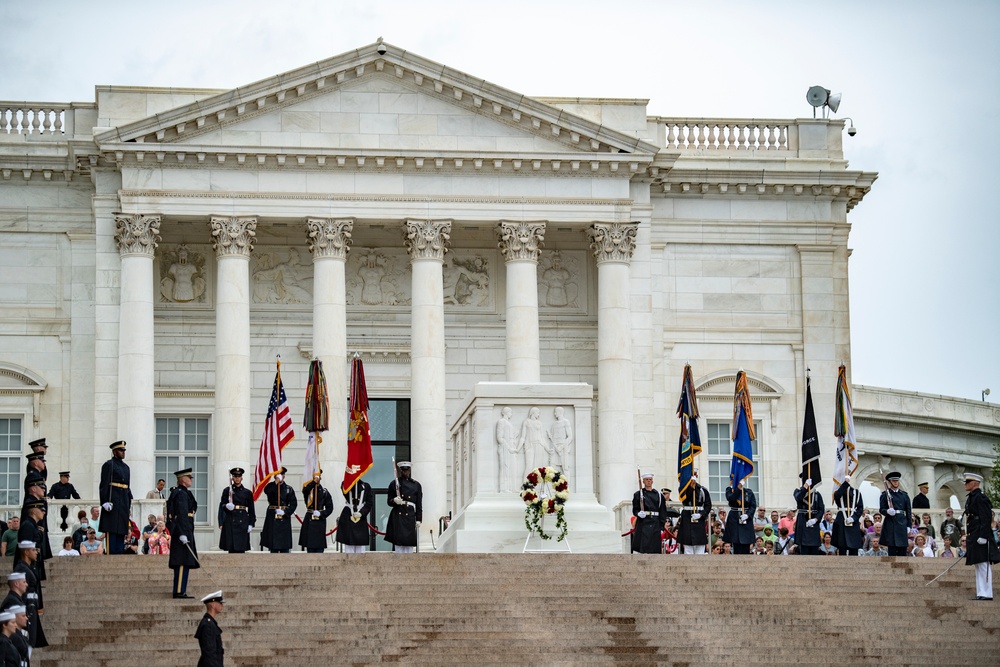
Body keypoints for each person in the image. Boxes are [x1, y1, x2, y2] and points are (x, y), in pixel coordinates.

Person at [963, 472, 1000, 600]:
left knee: (983, 564)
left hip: (980, 534)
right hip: (974, 534)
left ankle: (987, 593)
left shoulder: (981, 497)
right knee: (978, 564)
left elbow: (986, 517)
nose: (965, 484)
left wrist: (984, 535)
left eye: (968, 482)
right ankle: (981, 592)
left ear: (975, 483)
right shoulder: (972, 497)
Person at [166, 468, 199, 599]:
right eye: (189, 477)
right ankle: (179, 590)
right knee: (181, 561)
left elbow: (193, 507)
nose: (191, 480)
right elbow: (181, 514)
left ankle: (182, 589)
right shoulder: (180, 493)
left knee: (185, 561)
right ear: (182, 480)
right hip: (182, 530)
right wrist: (182, 532)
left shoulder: (185, 493)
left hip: (187, 529)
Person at [99, 440, 132, 555]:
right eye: (120, 450)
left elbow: (128, 487)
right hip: (112, 499)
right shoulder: (109, 464)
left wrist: (129, 505)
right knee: (112, 529)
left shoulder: (126, 467)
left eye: (124, 450)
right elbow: (104, 484)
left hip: (123, 500)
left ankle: (119, 552)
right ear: (114, 452)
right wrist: (104, 501)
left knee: (121, 530)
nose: (123, 452)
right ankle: (111, 553)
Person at [12, 541, 45, 648]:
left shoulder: (28, 567)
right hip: (26, 608)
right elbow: (20, 591)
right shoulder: (21, 568)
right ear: (26, 552)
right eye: (33, 550)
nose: (36, 552)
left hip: (31, 607)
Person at [385, 461, 422, 553]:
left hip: (409, 515)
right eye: (403, 470)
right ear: (400, 471)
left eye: (407, 470)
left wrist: (419, 519)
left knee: (409, 544)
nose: (405, 472)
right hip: (398, 514)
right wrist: (394, 500)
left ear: (409, 471)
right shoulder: (394, 483)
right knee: (399, 543)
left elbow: (419, 504)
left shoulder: (416, 485)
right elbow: (389, 501)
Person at [218, 467, 255, 554]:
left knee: (241, 547)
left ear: (242, 478)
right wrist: (227, 505)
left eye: (239, 476)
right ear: (232, 478)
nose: (237, 478)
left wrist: (251, 523)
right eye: (235, 476)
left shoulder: (247, 492)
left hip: (242, 520)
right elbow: (222, 506)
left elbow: (251, 510)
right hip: (231, 520)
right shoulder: (227, 490)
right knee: (231, 547)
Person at [260, 467, 297, 553]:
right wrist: (276, 482)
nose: (280, 476)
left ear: (284, 476)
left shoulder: (289, 489)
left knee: (285, 547)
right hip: (273, 516)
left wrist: (285, 512)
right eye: (277, 475)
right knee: (273, 546)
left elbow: (293, 504)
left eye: (282, 474)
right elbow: (267, 491)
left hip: (284, 518)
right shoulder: (270, 486)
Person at [298, 471, 334, 553]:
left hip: (320, 520)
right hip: (310, 518)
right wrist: (313, 482)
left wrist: (321, 513)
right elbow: (305, 490)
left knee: (319, 548)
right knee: (310, 548)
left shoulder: (324, 492)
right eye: (315, 477)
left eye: (318, 477)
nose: (317, 479)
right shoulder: (308, 491)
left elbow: (330, 508)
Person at [631, 473, 667, 554]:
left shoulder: (659, 495)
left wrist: (661, 527)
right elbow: (635, 509)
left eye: (650, 479)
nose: (648, 481)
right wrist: (638, 513)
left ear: (652, 481)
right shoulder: (638, 494)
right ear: (643, 481)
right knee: (642, 548)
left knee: (654, 548)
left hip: (655, 523)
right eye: (646, 480)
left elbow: (662, 512)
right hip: (643, 523)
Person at [676, 474, 712, 555]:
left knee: (700, 545)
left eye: (695, 475)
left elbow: (708, 505)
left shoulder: (703, 490)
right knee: (688, 545)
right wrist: (691, 487)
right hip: (688, 517)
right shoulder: (683, 489)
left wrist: (701, 514)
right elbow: (685, 499)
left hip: (699, 518)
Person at [878, 471, 912, 556]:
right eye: (893, 481)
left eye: (897, 481)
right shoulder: (885, 495)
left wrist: (909, 525)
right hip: (891, 522)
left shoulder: (904, 495)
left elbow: (908, 511)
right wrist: (887, 511)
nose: (896, 482)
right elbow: (881, 509)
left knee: (902, 549)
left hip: (902, 522)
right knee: (892, 548)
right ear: (889, 482)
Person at [337, 477, 374, 553]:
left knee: (360, 547)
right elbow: (344, 488)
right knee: (348, 546)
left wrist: (362, 513)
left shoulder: (366, 486)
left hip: (360, 515)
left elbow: (369, 503)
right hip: (348, 515)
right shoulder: (346, 484)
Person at [832, 475, 865, 556]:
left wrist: (854, 518)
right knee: (842, 546)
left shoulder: (857, 493)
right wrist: (845, 483)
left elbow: (860, 508)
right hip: (841, 520)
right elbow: (838, 495)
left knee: (853, 548)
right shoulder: (837, 492)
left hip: (853, 521)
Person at [723, 482, 757, 554]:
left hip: (746, 518)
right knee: (736, 543)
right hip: (734, 518)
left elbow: (753, 506)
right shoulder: (729, 490)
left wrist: (748, 515)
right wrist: (738, 489)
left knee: (746, 544)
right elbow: (731, 499)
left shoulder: (748, 492)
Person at [195, 590, 225, 667]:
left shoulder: (210, 623)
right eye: (220, 603)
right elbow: (209, 653)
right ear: (213, 605)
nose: (222, 605)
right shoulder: (208, 625)